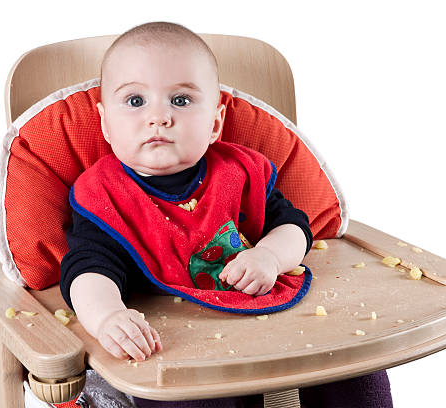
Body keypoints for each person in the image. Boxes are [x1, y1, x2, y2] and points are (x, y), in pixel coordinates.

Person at [60, 22, 392, 408]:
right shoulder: (104, 195)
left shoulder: (239, 173)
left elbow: (294, 226)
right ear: (104, 123)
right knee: (191, 396)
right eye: (136, 101)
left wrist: (269, 256)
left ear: (215, 123)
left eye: (180, 101)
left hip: (268, 323)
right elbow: (87, 268)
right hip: (175, 347)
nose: (159, 117)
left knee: (356, 366)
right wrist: (108, 318)